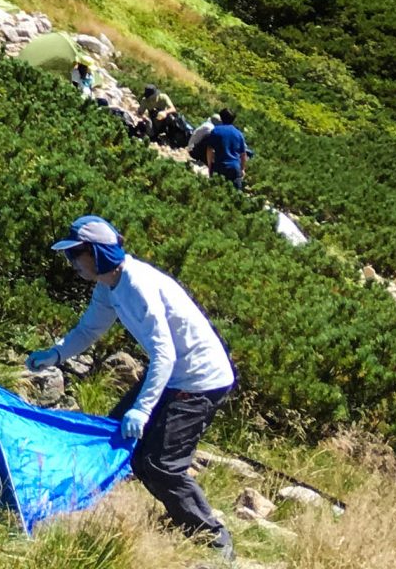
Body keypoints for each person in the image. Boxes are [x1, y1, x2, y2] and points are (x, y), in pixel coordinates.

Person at [29, 216, 236, 557]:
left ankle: (214, 541)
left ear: (97, 254)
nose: (71, 264)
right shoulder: (107, 285)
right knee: (113, 437)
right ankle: (87, 513)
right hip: (172, 374)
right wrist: (55, 354)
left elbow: (165, 353)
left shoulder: (137, 285)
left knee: (159, 465)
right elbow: (88, 331)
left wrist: (142, 408)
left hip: (200, 379)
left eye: (74, 256)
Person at [192, 109, 252, 190]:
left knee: (217, 192)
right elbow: (243, 154)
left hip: (219, 166)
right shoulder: (239, 134)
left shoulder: (216, 131)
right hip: (234, 167)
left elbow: (209, 150)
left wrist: (210, 166)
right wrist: (242, 169)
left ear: (221, 118)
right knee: (236, 195)